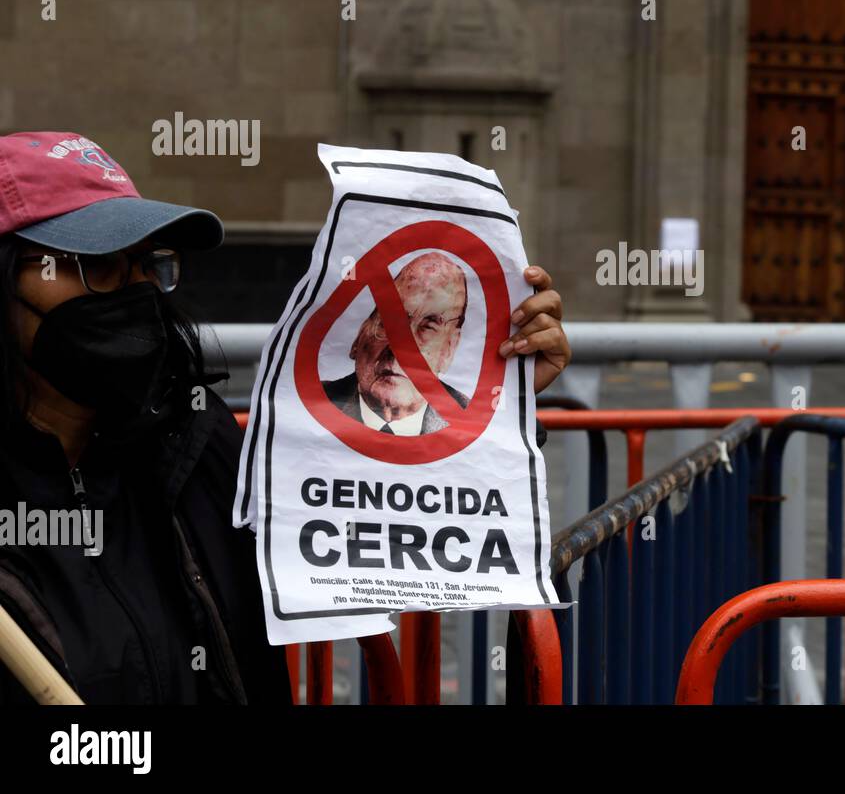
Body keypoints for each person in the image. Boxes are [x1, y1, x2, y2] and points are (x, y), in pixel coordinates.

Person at [0, 131, 572, 704]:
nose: (136, 290)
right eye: (98, 265)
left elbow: (372, 530)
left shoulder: (194, 440)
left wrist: (496, 413)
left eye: (147, 264)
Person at [324, 251, 470, 436]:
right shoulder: (303, 404)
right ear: (360, 337)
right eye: (391, 320)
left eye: (428, 327)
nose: (400, 348)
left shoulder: (475, 420)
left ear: (449, 350)